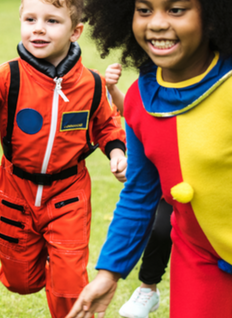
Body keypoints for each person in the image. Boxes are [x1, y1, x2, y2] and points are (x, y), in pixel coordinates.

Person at [66, 0, 232, 316]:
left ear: (212, 13)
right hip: (202, 262)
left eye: (176, 9)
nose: (157, 23)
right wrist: (109, 273)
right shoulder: (140, 97)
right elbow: (141, 192)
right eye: (144, 10)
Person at [0, 0, 127, 318]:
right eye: (30, 19)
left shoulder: (90, 84)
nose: (38, 28)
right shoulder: (6, 76)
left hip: (69, 193)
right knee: (21, 281)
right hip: (16, 190)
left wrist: (117, 152)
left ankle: (64, 272)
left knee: (69, 284)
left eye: (52, 20)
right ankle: (46, 263)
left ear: (75, 31)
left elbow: (108, 124)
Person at [105, 63, 172, 318]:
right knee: (161, 227)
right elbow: (136, 114)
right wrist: (112, 88)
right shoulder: (148, 80)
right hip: (170, 186)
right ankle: (148, 288)